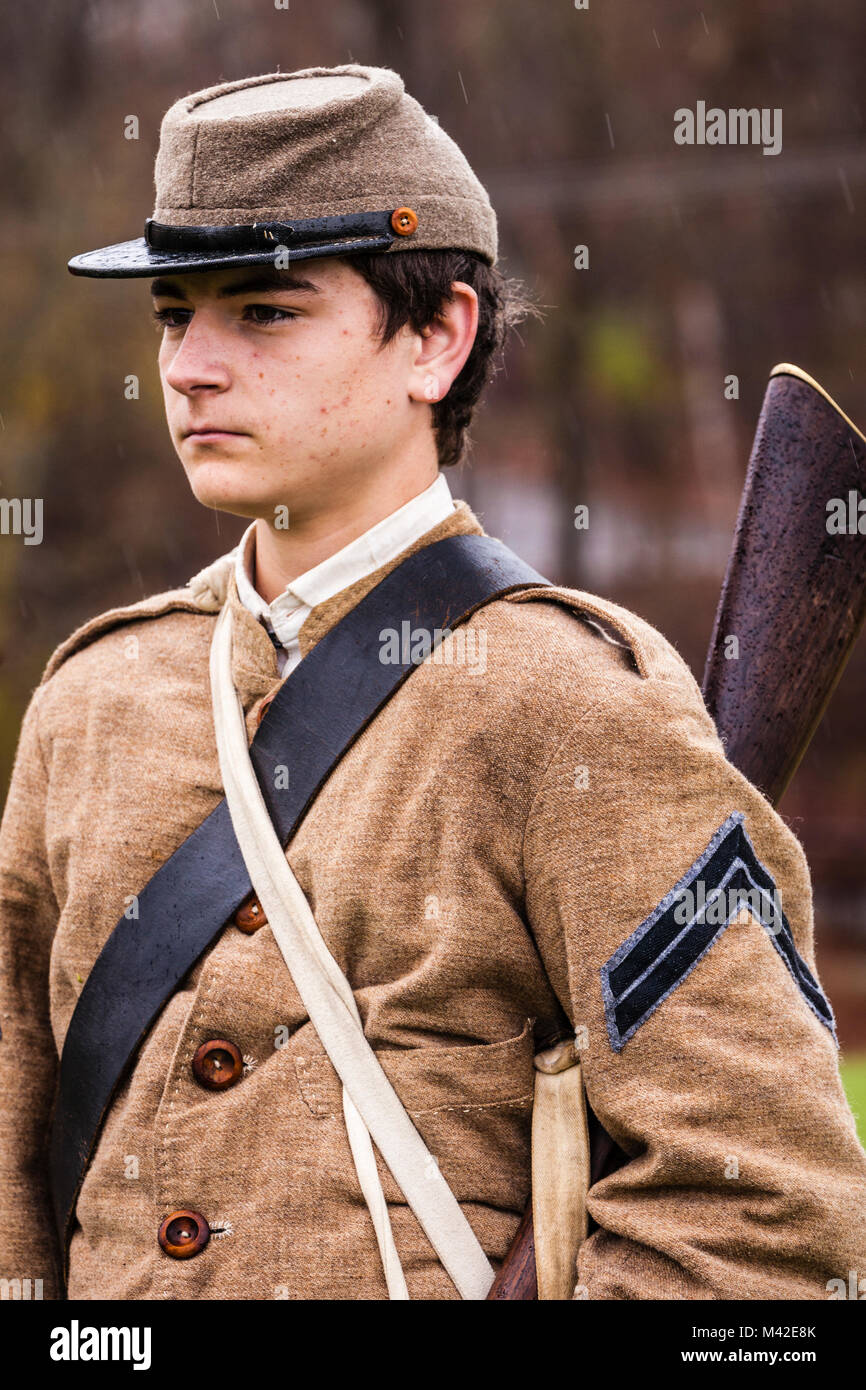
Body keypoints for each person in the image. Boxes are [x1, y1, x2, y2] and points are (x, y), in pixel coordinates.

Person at [1, 62, 864, 1302]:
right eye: (173, 314)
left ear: (437, 337)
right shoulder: (91, 700)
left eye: (263, 311)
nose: (188, 364)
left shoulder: (575, 704)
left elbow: (766, 1217)